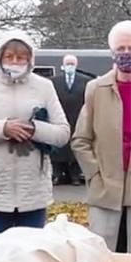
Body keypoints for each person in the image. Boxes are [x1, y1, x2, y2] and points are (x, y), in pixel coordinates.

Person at [0, 31, 70, 241]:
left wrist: (34, 128)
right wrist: (3, 129)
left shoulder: (44, 86)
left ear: (30, 60)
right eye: (9, 56)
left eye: (21, 57)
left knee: (31, 257)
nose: (14, 61)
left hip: (32, 191)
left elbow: (62, 133)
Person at [72, 19, 131, 262]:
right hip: (106, 186)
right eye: (121, 48)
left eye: (130, 49)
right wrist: (94, 172)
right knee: (100, 255)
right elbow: (80, 139)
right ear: (111, 52)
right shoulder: (96, 89)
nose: (126, 54)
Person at [51, 54, 91, 186]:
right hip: (59, 119)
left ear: (76, 65)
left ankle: (75, 176)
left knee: (75, 148)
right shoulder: (53, 81)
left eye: (72, 64)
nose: (70, 66)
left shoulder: (86, 81)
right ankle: (57, 174)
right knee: (58, 148)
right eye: (67, 64)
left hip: (78, 119)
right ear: (63, 65)